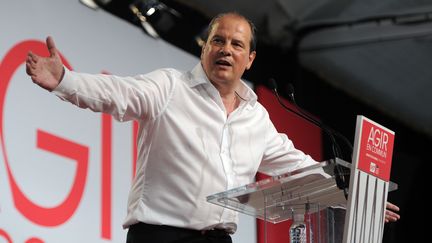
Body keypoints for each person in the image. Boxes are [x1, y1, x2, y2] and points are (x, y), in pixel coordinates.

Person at [26, 12, 399, 243]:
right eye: (217, 40)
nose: (225, 49)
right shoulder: (170, 87)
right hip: (159, 236)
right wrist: (66, 81)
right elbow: (117, 93)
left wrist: (355, 196)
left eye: (237, 44)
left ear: (249, 59)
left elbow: (298, 166)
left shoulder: (256, 117)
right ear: (205, 49)